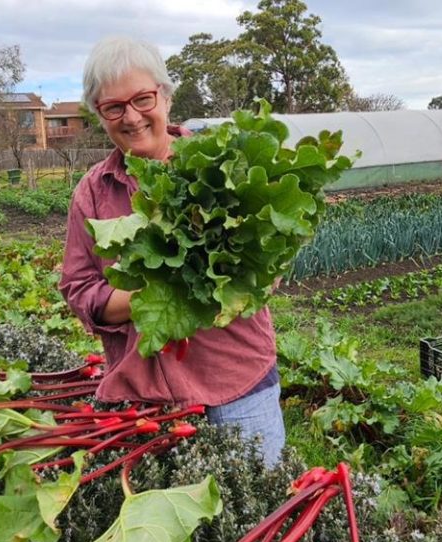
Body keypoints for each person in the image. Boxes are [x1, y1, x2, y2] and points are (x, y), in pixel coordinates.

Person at [59, 37, 285, 466]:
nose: (131, 117)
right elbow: (78, 287)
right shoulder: (91, 192)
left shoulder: (220, 165)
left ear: (164, 95)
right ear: (99, 115)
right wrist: (155, 298)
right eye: (113, 107)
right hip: (146, 397)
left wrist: (219, 277)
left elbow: (268, 267)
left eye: (143, 98)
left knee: (257, 514)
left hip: (237, 384)